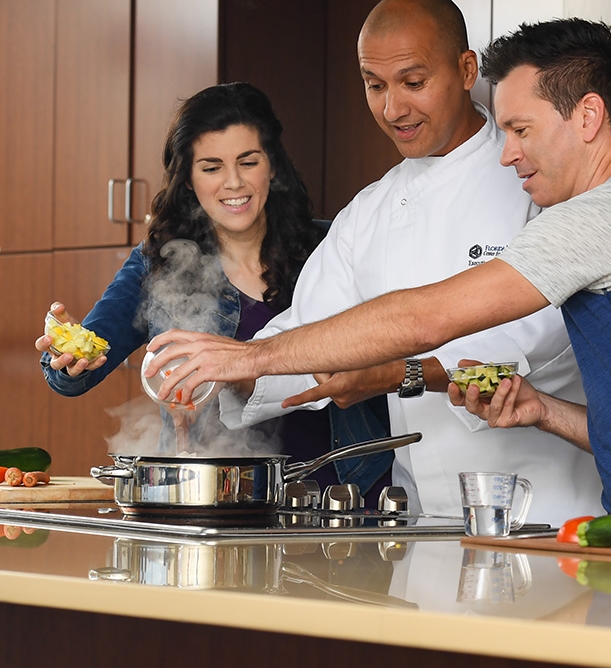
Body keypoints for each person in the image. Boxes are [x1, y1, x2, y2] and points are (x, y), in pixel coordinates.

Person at [145, 17, 611, 517]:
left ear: (589, 117)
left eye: (521, 128)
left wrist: (249, 355)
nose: (509, 151)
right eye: (374, 84)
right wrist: (544, 411)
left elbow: (425, 318)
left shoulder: (606, 213)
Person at [36, 81, 391, 500]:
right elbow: (78, 374)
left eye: (248, 162)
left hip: (343, 496)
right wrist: (69, 354)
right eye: (211, 167)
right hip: (216, 502)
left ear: (272, 165)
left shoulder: (333, 247)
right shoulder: (157, 262)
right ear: (188, 179)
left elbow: (385, 348)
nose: (234, 183)